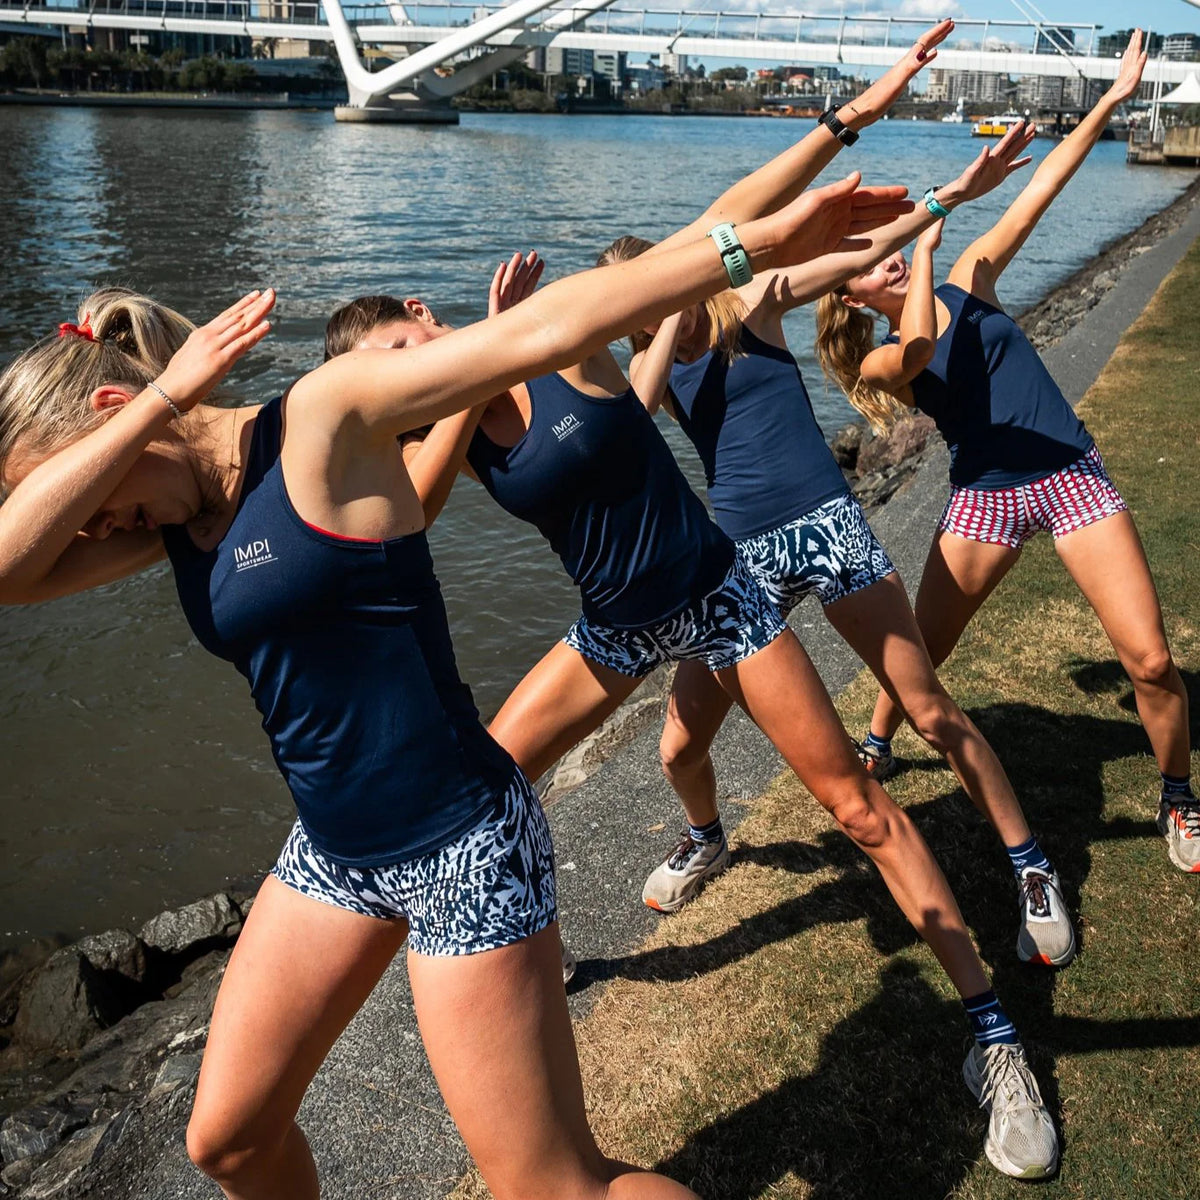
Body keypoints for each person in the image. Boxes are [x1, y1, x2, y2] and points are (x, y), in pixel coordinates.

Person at [0, 179, 884, 1200]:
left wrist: (748, 246)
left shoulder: (318, 421)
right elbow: (11, 571)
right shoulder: (167, 521)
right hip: (334, 854)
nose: (90, 532)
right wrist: (155, 410)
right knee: (229, 1141)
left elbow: (547, 328)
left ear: (111, 414)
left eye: (88, 503)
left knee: (557, 1187)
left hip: (459, 847)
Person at [325, 26, 1059, 1182]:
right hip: (616, 626)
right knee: (484, 788)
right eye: (393, 377)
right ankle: (522, 963)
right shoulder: (444, 434)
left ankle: (997, 1038)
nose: (412, 373)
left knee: (857, 808)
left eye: (410, 348)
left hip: (719, 595)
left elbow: (719, 226)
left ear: (424, 309)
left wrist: (854, 118)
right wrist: (461, 380)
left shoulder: (563, 331)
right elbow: (404, 518)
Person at [600, 120, 1077, 969]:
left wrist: (947, 199)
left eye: (661, 288)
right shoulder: (651, 367)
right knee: (678, 747)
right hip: (738, 564)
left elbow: (860, 253)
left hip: (828, 525)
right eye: (636, 305)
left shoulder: (754, 303)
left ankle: (1031, 865)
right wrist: (660, 321)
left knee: (928, 711)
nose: (658, 306)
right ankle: (705, 836)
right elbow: (628, 428)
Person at [815, 30, 1196, 879]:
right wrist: (922, 249)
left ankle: (1179, 798)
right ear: (855, 299)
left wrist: (1111, 98)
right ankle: (878, 738)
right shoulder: (881, 358)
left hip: (1069, 475)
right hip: (985, 497)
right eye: (867, 265)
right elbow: (920, 348)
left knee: (1150, 660)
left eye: (884, 251)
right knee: (923, 650)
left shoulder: (972, 277)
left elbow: (1044, 186)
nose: (884, 261)